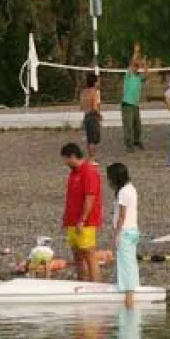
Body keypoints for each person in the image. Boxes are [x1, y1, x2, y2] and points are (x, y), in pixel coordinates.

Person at [61, 143, 103, 282]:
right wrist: (66, 219)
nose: (65, 163)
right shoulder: (73, 173)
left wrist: (82, 219)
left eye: (66, 159)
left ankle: (95, 285)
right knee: (77, 254)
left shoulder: (89, 172)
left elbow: (90, 197)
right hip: (72, 220)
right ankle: (82, 282)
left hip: (86, 222)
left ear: (72, 156)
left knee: (89, 254)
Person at [107, 163, 140, 308]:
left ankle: (129, 297)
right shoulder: (131, 188)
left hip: (125, 231)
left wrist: (116, 235)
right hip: (133, 230)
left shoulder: (123, 192)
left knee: (125, 263)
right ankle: (131, 289)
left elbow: (122, 216)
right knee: (130, 261)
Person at [121, 42, 146, 152]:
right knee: (129, 126)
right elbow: (132, 64)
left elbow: (147, 75)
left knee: (137, 126)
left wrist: (144, 64)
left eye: (137, 66)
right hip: (127, 104)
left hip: (135, 104)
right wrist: (136, 52)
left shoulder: (139, 78)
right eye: (135, 66)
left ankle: (137, 141)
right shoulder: (129, 75)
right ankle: (129, 145)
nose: (136, 67)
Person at [80, 73, 102, 162]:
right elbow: (94, 107)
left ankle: (91, 156)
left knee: (89, 138)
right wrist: (99, 115)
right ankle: (92, 158)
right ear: (94, 82)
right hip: (93, 117)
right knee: (94, 139)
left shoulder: (83, 92)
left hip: (86, 116)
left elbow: (82, 106)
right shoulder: (94, 93)